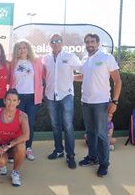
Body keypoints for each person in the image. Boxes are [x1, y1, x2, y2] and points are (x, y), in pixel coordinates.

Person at [77, 33, 122, 177]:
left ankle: (104, 164)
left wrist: (114, 101)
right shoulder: (84, 59)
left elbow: (118, 81)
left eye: (92, 41)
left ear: (97, 43)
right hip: (86, 102)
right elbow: (83, 77)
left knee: (102, 135)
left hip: (102, 103)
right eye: (87, 42)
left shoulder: (106, 57)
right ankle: (92, 157)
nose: (90, 44)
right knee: (90, 132)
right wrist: (66, 77)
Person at [42, 34, 81, 169]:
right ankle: (59, 150)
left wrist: (72, 78)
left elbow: (83, 69)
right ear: (50, 43)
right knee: (55, 125)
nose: (56, 43)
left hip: (66, 96)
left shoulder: (70, 56)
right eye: (53, 41)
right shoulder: (45, 59)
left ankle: (70, 155)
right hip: (50, 96)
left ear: (62, 43)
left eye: (58, 41)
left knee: (68, 126)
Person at [0, 88, 29, 187]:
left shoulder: (22, 116)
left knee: (22, 146)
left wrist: (9, 146)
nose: (11, 103)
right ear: (4, 100)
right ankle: (2, 165)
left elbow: (26, 135)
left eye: (14, 100)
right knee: (0, 162)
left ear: (18, 102)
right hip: (0, 147)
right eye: (9, 100)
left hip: (13, 146)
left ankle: (15, 172)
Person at [10, 39, 43, 161]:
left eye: (24, 47)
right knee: (16, 124)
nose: (22, 50)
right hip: (17, 98)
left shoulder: (36, 62)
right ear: (16, 50)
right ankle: (15, 149)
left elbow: (44, 76)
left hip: (32, 97)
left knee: (29, 124)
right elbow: (9, 80)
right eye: (19, 48)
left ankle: (28, 148)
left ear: (28, 49)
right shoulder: (13, 63)